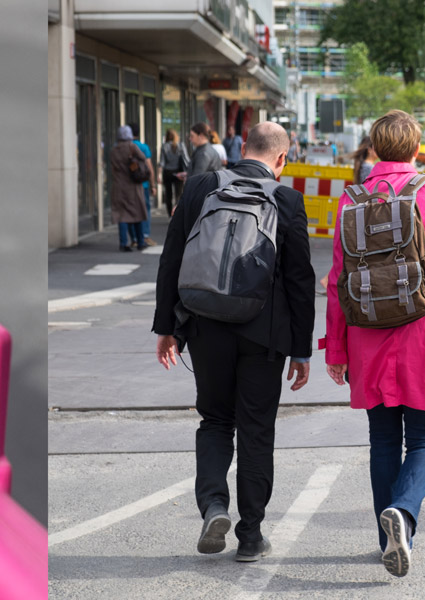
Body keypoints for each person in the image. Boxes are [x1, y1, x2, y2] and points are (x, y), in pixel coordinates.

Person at [323, 110, 425, 578]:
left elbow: (339, 279)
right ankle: (405, 514)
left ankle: (386, 539)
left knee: (382, 441)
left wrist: (336, 349)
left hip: (368, 334)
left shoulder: (351, 199)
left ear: (372, 149)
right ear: (418, 147)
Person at [154, 121, 315, 564]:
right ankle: (250, 535)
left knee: (215, 420)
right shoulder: (287, 199)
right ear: (282, 158)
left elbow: (173, 257)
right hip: (264, 336)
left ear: (242, 148)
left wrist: (167, 327)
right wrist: (301, 349)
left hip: (205, 326)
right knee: (257, 431)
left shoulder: (202, 186)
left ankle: (213, 506)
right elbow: (300, 280)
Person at [107, 125, 150, 251]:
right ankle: (140, 241)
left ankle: (123, 243)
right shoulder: (132, 146)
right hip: (133, 185)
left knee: (122, 215)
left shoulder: (113, 150)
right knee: (138, 213)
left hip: (118, 186)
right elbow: (143, 158)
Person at [129, 123, 158, 246]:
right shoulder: (144, 147)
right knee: (145, 209)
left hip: (129, 185)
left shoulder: (125, 147)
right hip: (143, 184)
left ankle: (134, 238)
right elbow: (149, 167)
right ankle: (145, 235)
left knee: (130, 210)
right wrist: (153, 185)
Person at [160, 130, 187, 215]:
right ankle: (177, 213)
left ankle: (169, 214)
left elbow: (162, 162)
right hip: (178, 172)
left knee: (168, 194)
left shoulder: (164, 146)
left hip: (167, 172)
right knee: (178, 194)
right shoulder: (181, 145)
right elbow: (186, 159)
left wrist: (159, 175)